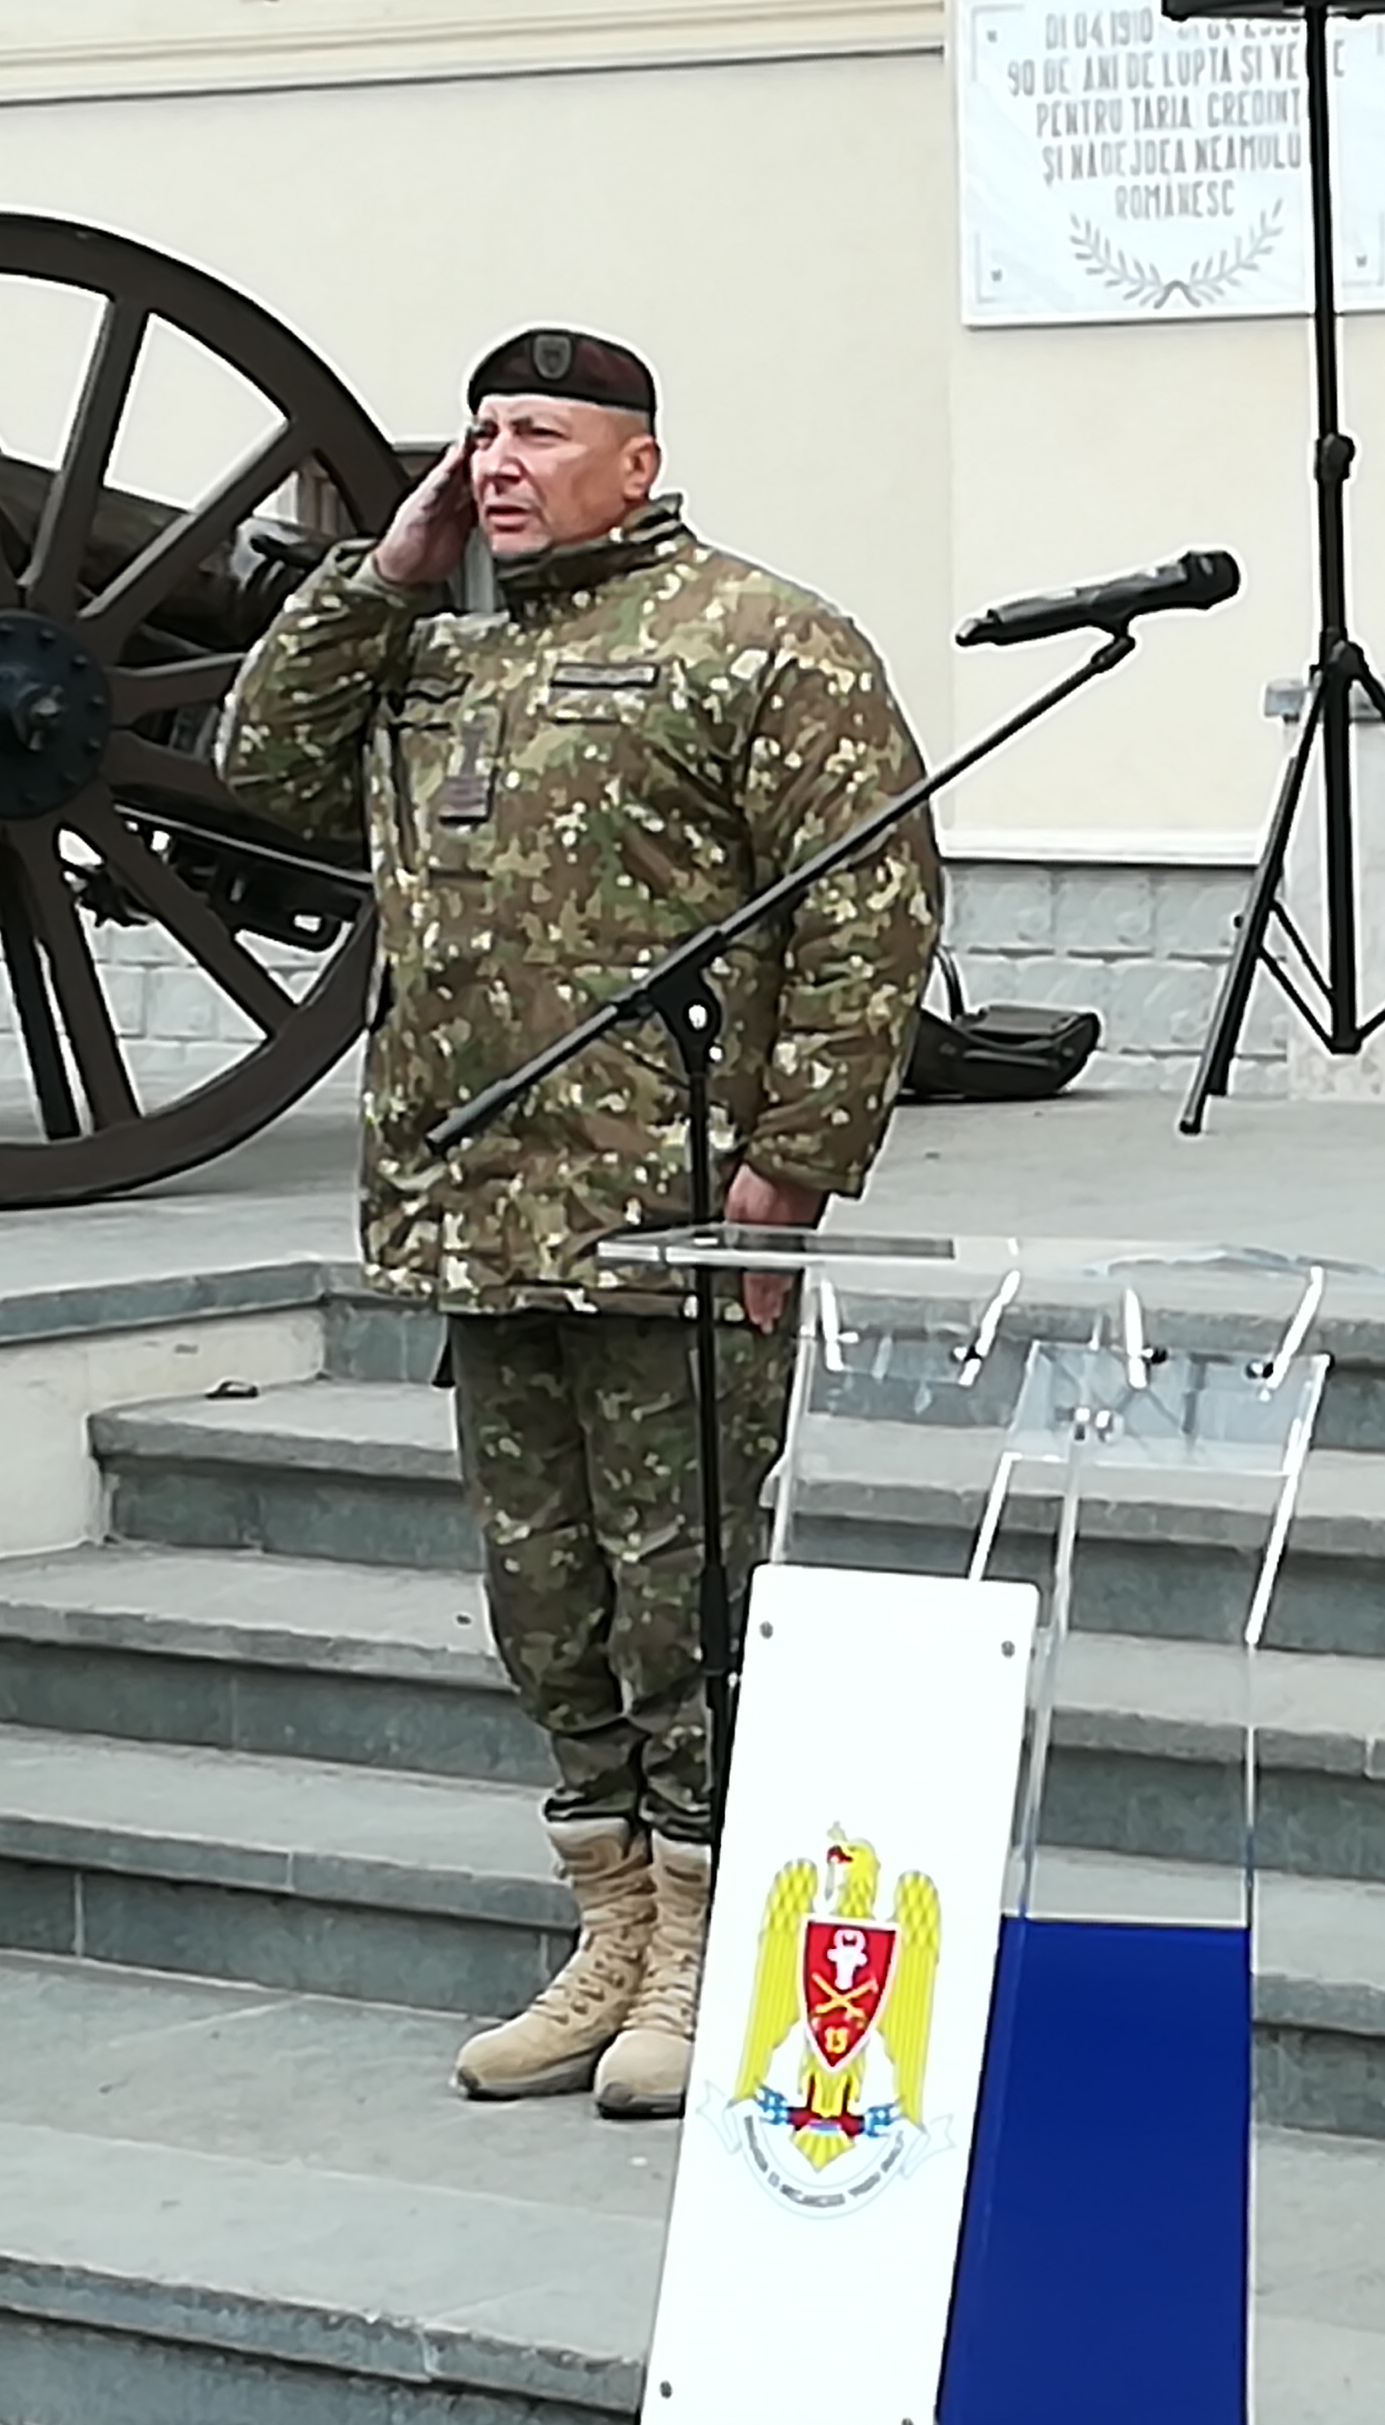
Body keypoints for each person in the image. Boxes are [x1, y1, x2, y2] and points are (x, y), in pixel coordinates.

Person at [217, 330, 941, 2120]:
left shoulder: (764, 637)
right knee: (548, 1606)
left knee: (688, 1595)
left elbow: (870, 910)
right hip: (480, 1211)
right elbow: (260, 766)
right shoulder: (435, 649)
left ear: (639, 460)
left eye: (538, 432)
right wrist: (383, 571)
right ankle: (608, 1931)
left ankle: (703, 1944)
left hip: (674, 1220)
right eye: (480, 434)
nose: (497, 462)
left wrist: (792, 1164)